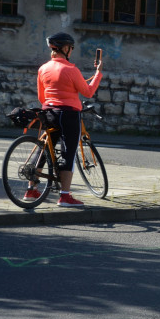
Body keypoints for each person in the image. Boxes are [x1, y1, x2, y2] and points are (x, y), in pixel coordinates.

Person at [33, 32, 103, 208]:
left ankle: (31, 189)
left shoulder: (43, 69)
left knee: (44, 149)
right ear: (65, 48)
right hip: (69, 114)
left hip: (48, 112)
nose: (71, 51)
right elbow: (87, 92)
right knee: (68, 153)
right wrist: (98, 73)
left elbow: (42, 97)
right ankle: (64, 196)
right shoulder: (71, 69)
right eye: (71, 48)